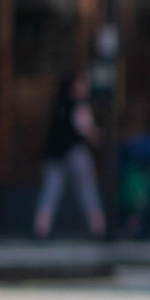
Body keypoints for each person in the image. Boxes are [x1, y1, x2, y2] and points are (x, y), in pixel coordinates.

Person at [33, 74, 106, 241]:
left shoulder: (60, 104)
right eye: (82, 84)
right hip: (73, 152)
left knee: (51, 191)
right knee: (86, 190)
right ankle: (99, 228)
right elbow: (88, 130)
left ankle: (41, 228)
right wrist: (99, 137)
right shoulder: (77, 106)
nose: (86, 88)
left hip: (56, 155)